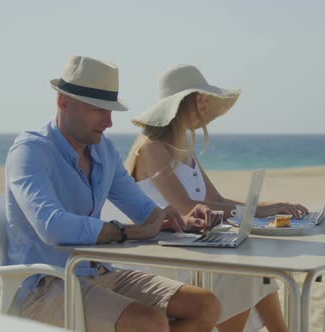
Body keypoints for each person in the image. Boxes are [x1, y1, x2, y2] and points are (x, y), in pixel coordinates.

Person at [5, 56, 221, 332]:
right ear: (63, 102)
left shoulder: (103, 151)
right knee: (149, 322)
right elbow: (52, 226)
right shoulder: (30, 151)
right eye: (98, 109)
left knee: (206, 306)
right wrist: (127, 232)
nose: (108, 121)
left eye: (111, 111)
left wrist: (176, 220)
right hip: (47, 284)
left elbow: (143, 210)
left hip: (99, 271)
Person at [106, 64, 308, 332]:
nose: (205, 104)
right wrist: (256, 212)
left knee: (259, 269)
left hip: (189, 250)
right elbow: (189, 208)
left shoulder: (183, 149)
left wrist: (270, 207)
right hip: (159, 259)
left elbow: (217, 200)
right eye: (199, 98)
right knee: (248, 273)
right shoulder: (153, 148)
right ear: (179, 104)